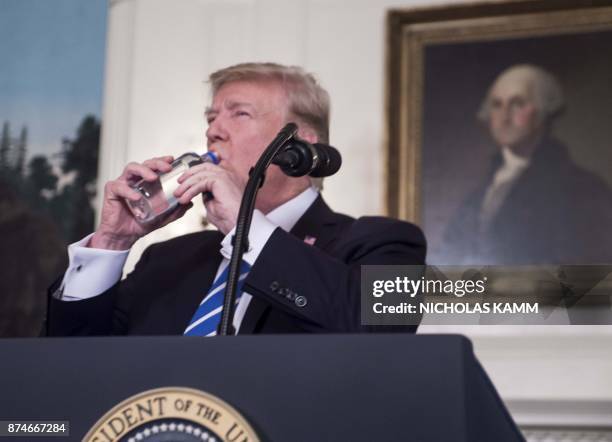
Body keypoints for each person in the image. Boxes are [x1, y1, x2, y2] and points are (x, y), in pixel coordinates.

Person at [46, 62, 426, 336]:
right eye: (210, 118)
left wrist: (246, 229)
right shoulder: (166, 259)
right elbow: (74, 366)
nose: (213, 130)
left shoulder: (386, 241)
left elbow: (378, 327)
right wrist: (113, 242)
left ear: (303, 143)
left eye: (239, 114)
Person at [443, 64, 612, 265]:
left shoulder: (582, 188)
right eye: (497, 105)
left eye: (517, 104)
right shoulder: (478, 194)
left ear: (543, 111)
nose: (504, 117)